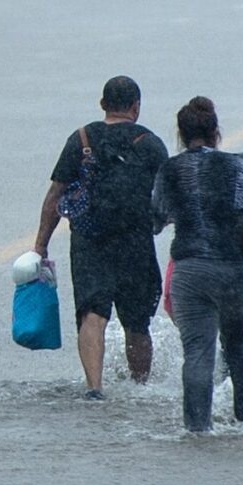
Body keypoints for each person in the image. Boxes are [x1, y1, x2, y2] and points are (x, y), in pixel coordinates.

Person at [32, 75, 168, 400]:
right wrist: (160, 225)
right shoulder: (149, 143)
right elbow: (167, 195)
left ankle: (94, 387)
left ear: (103, 105)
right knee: (137, 322)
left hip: (89, 239)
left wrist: (41, 244)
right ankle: (140, 388)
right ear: (136, 107)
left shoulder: (81, 139)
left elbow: (55, 194)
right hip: (135, 241)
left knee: (92, 313)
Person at [153, 96, 243, 431]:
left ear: (181, 134)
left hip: (192, 270)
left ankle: (198, 431)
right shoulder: (237, 166)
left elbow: (155, 218)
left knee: (198, 353)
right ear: (216, 132)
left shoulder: (170, 170)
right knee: (242, 350)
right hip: (238, 268)